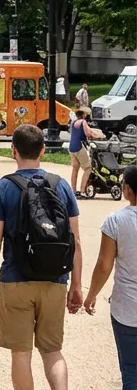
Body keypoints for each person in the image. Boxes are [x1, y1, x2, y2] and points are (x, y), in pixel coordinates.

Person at [0, 124, 83, 390]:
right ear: (43, 149)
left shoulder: (2, 188)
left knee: (21, 353)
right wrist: (76, 285)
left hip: (16, 277)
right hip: (55, 277)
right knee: (52, 351)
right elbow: (76, 241)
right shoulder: (62, 186)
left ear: (13, 150)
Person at [85, 164, 137, 389]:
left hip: (127, 307)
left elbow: (104, 265)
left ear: (126, 189)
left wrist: (91, 295)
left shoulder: (116, 221)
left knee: (131, 371)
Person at [69, 108, 105, 196]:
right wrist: (99, 135)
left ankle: (73, 191)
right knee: (88, 168)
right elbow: (88, 133)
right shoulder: (83, 122)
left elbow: (87, 131)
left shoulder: (73, 122)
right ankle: (82, 191)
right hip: (79, 147)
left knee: (75, 170)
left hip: (71, 148)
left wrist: (96, 132)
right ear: (84, 115)